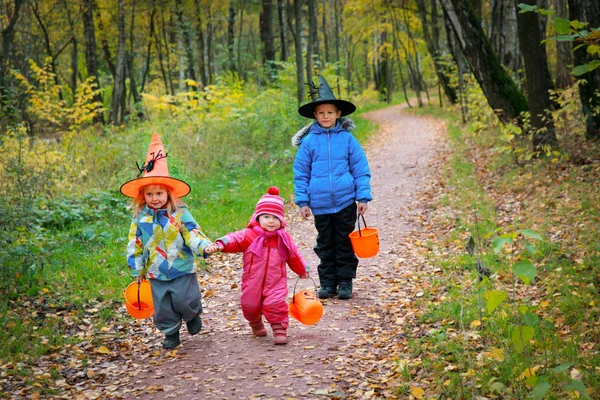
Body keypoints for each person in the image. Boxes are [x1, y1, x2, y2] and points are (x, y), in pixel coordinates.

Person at [120, 132, 212, 349]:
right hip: (155, 270)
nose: (155, 198)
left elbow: (192, 233)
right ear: (143, 196)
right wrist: (137, 268)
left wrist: (204, 247)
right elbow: (135, 242)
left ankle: (192, 316)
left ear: (168, 194)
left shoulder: (179, 213)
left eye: (159, 193)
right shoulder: (140, 217)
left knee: (185, 299)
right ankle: (170, 332)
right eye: (150, 194)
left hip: (181, 265)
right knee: (163, 306)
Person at [292, 75, 372, 300]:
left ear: (338, 114)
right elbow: (301, 173)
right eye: (321, 113)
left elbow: (360, 169)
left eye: (330, 112)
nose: (325, 116)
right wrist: (303, 201)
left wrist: (362, 197)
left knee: (345, 241)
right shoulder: (309, 142)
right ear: (315, 115)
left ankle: (345, 281)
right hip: (320, 203)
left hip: (346, 201)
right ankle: (328, 282)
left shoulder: (347, 140)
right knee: (325, 243)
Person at [205, 187, 309, 345]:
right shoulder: (250, 235)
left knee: (275, 303)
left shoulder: (283, 238)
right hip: (252, 280)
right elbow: (234, 239)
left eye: (275, 217)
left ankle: (279, 328)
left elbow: (294, 255)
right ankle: (255, 322)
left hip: (276, 280)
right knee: (250, 304)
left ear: (281, 219)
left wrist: (302, 270)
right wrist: (220, 244)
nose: (271, 221)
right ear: (258, 218)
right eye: (266, 217)